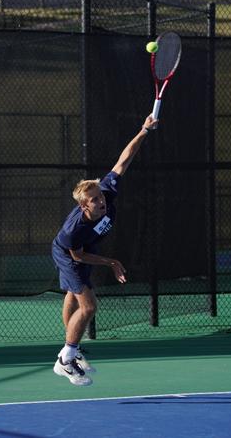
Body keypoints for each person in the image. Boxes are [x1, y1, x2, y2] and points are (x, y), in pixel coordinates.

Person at [51, 115, 158, 386]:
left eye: (100, 196)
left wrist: (143, 130)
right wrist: (111, 262)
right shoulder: (73, 230)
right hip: (69, 253)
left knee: (72, 295)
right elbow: (78, 257)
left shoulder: (107, 192)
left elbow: (124, 160)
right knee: (88, 306)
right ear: (84, 206)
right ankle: (65, 360)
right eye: (95, 200)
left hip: (85, 249)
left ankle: (71, 350)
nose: (102, 202)